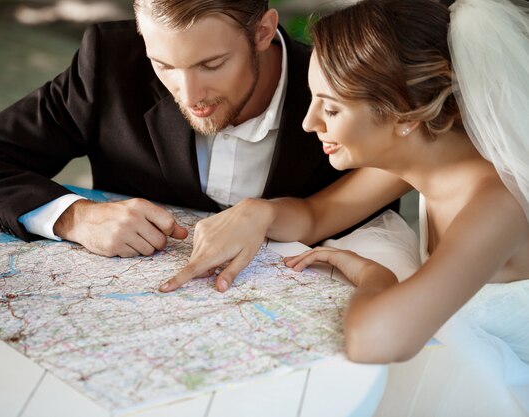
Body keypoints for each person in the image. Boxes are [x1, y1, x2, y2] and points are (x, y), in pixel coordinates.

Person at [162, 0, 529, 383]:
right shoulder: (430, 155)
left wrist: (376, 277)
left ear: (404, 114)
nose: (308, 123)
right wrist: (259, 211)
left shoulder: (497, 206)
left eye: (332, 110)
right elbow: (316, 216)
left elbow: (376, 341)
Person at [0, 0, 382, 258]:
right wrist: (76, 216)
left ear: (264, 32)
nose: (189, 95)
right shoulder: (109, 62)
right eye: (163, 64)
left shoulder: (341, 86)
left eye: (212, 64)